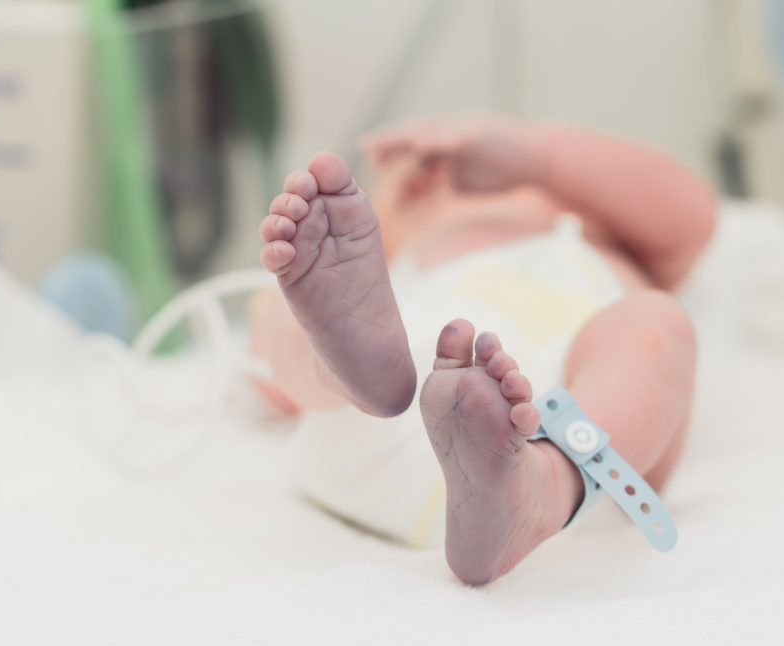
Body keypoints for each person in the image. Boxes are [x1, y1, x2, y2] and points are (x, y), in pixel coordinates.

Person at [250, 115, 715, 585]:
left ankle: (544, 487)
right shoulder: (396, 264)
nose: (441, 175)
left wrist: (536, 157)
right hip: (406, 386)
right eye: (422, 181)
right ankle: (339, 369)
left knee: (653, 324)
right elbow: (276, 383)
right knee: (293, 312)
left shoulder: (610, 233)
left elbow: (691, 216)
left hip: (578, 441)